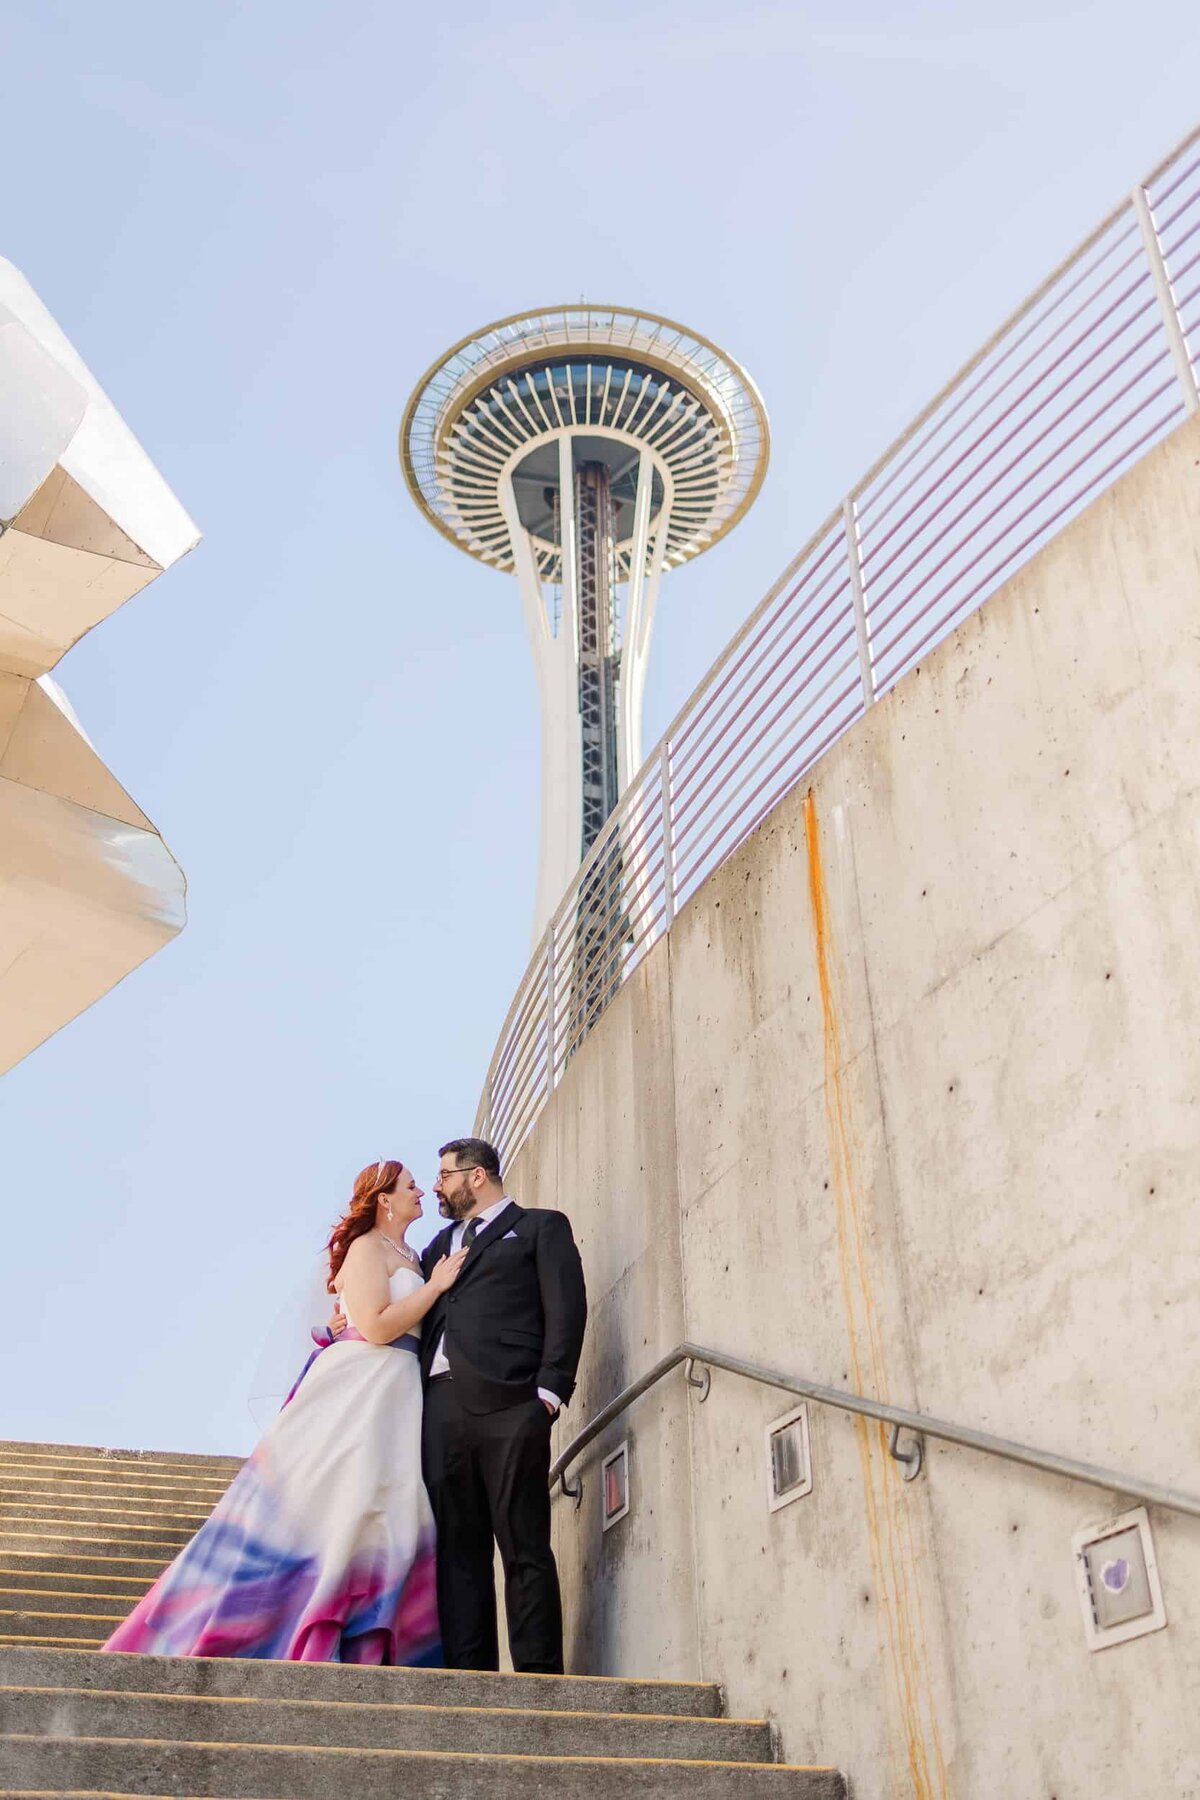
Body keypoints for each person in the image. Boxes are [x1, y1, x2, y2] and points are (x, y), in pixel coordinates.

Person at [102, 1160, 467, 1664]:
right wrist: (434, 1288)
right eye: (409, 1186)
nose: (421, 1190)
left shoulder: (415, 1256)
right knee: (347, 1504)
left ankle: (368, 1634)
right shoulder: (365, 1249)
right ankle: (305, 1624)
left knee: (392, 1511)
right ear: (384, 1198)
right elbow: (379, 1327)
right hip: (360, 1387)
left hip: (399, 1391)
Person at [419, 1136, 587, 1674]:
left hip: (514, 1406)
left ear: (476, 1176)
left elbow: (566, 1307)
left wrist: (549, 1393)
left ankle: (539, 1682)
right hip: (441, 1408)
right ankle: (470, 1683)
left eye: (445, 1175)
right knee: (458, 1553)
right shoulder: (434, 1249)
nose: (436, 1186)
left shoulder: (540, 1227)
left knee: (523, 1544)